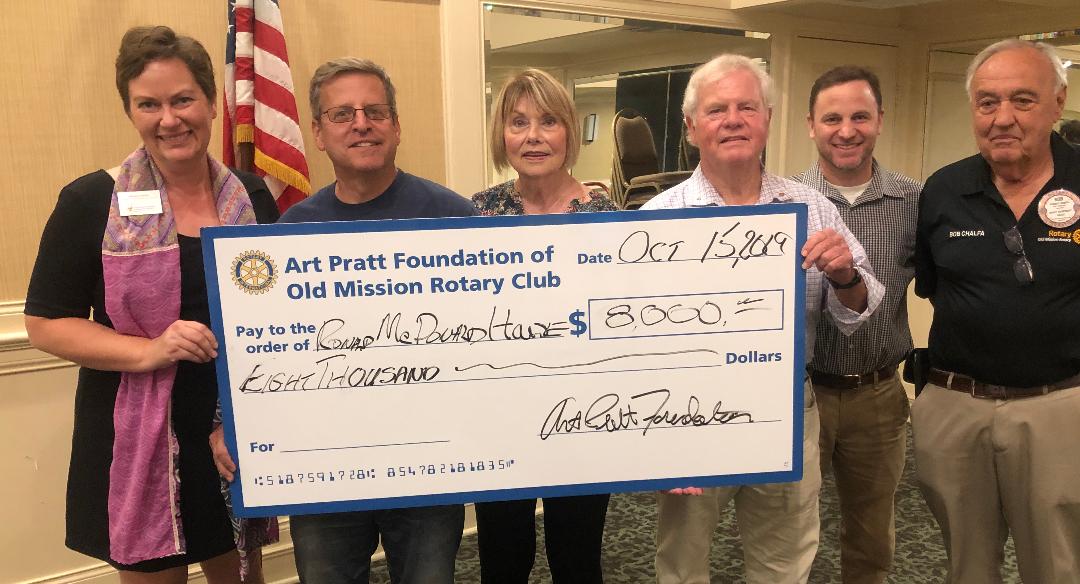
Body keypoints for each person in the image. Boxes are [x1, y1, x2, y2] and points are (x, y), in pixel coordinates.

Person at [23, 26, 278, 582]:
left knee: (242, 575)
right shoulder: (91, 200)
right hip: (136, 433)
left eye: (183, 99)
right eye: (149, 104)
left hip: (232, 423)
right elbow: (45, 323)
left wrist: (249, 420)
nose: (169, 119)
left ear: (210, 102)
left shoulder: (252, 196)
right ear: (130, 111)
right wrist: (149, 350)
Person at [211, 57, 472, 584]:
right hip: (324, 466)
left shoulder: (455, 217)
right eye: (342, 114)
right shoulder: (289, 232)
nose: (361, 124)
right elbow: (260, 343)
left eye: (375, 111)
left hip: (429, 462)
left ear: (396, 125)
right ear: (318, 132)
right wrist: (230, 420)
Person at [642, 54, 884, 584]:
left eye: (747, 107)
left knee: (784, 560)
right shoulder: (656, 219)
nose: (733, 120)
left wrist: (845, 275)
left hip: (786, 410)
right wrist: (660, 440)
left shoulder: (813, 208)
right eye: (717, 110)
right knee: (681, 561)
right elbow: (635, 342)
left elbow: (859, 311)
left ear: (768, 119)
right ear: (691, 128)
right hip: (687, 414)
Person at [913, 39, 1080, 584]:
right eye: (987, 102)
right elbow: (934, 288)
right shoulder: (943, 190)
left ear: (1058, 101)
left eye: (1022, 100)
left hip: (1061, 407)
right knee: (966, 567)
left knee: (1058, 566)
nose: (1002, 117)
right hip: (956, 405)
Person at [471, 68, 617, 584]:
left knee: (577, 558)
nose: (533, 136)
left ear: (569, 132)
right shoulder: (477, 214)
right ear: (502, 134)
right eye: (518, 123)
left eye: (548, 121)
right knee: (502, 558)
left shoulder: (608, 216)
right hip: (500, 415)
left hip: (583, 413)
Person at [791, 65, 921, 584]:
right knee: (789, 528)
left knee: (871, 535)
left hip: (878, 394)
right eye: (832, 119)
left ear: (880, 120)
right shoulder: (785, 202)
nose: (846, 131)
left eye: (860, 117)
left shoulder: (914, 201)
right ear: (810, 125)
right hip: (802, 395)